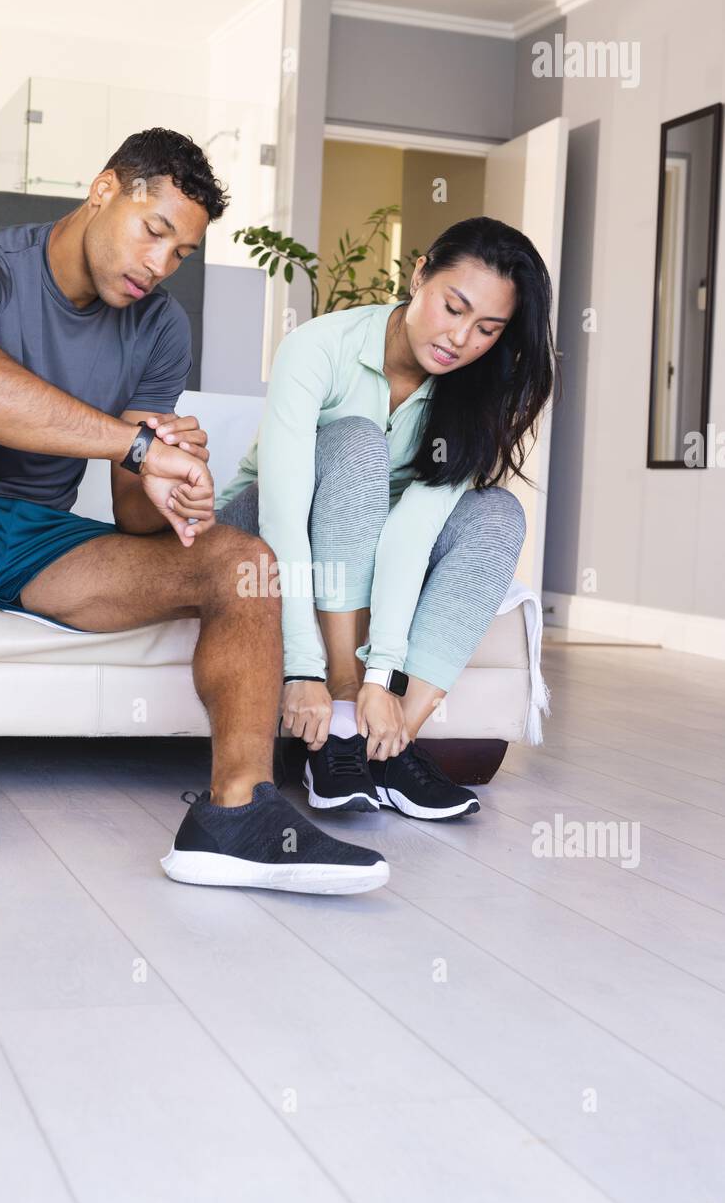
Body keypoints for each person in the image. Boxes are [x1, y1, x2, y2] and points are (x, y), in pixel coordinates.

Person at [0, 128, 388, 895]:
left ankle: (238, 812)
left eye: (181, 253)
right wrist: (133, 445)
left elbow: (133, 516)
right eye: (154, 232)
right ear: (105, 190)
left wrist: (176, 480)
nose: (160, 265)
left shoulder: (159, 325)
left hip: (34, 540)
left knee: (244, 562)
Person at [211, 216, 559, 821]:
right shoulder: (319, 345)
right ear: (420, 272)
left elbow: (411, 532)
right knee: (359, 441)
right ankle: (341, 722)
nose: (460, 339)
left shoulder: (476, 392)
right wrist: (302, 669)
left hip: (366, 538)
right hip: (255, 535)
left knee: (499, 513)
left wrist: (386, 677)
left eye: (487, 330)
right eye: (453, 307)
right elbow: (285, 515)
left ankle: (390, 747)